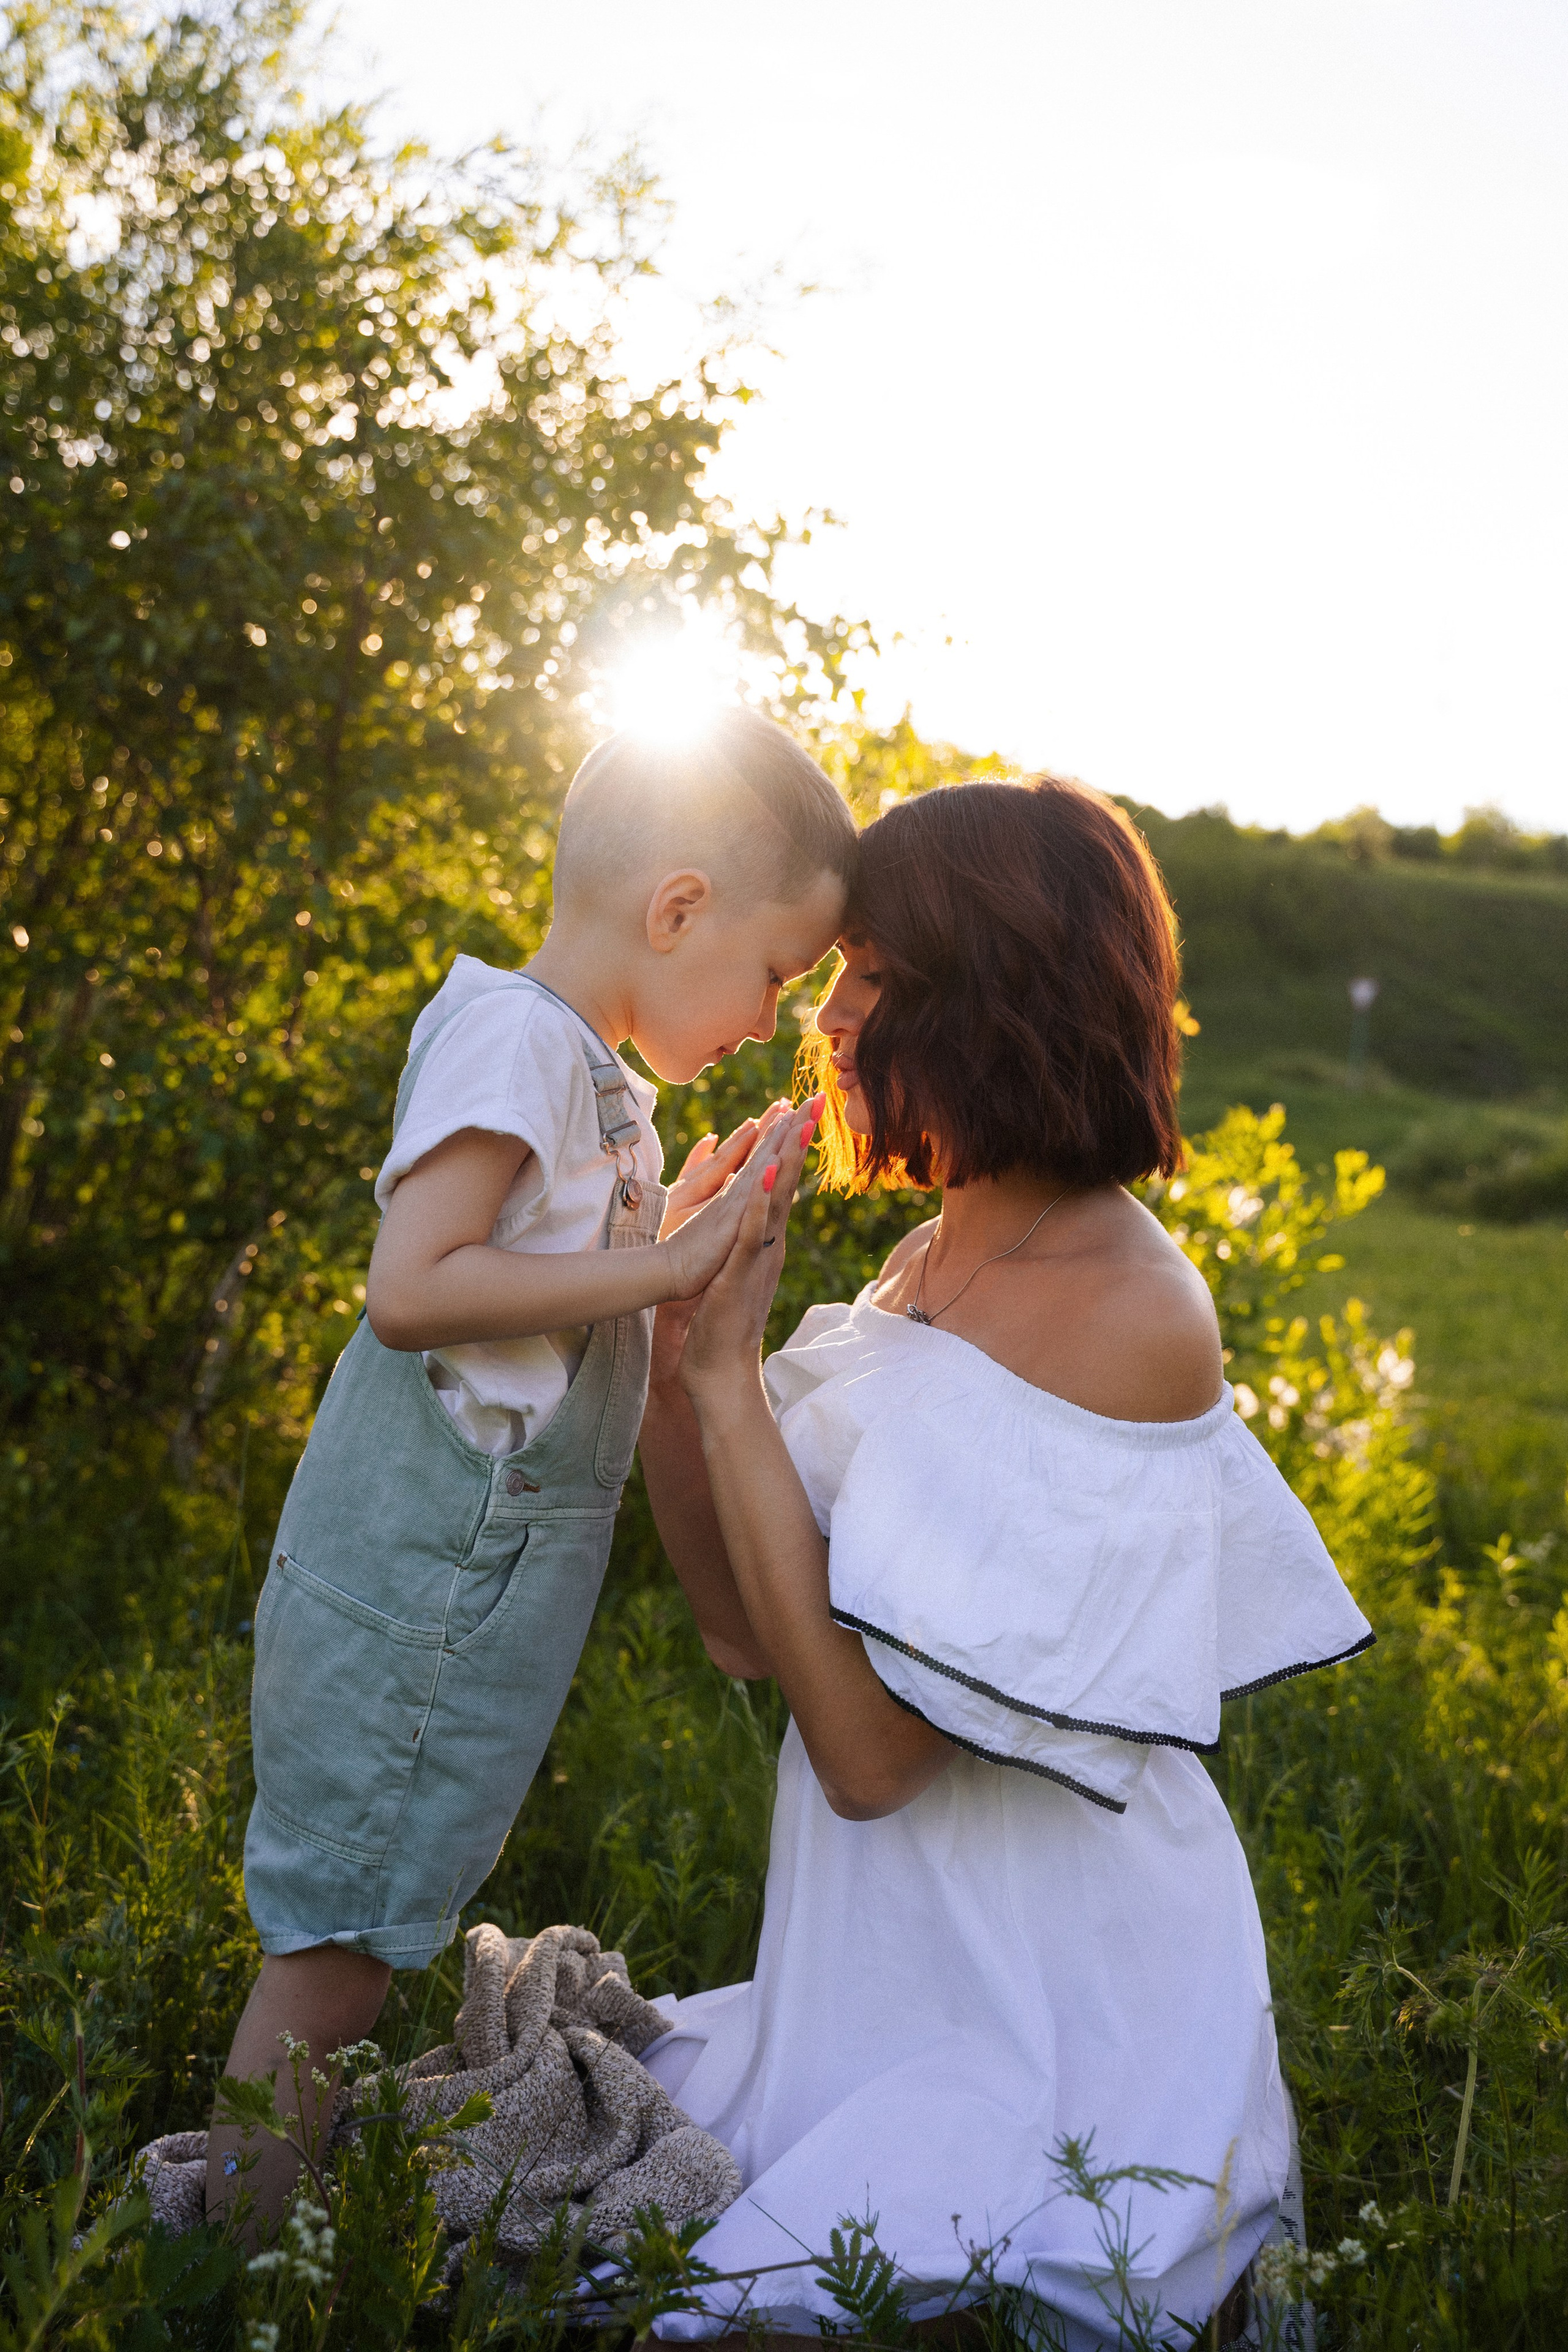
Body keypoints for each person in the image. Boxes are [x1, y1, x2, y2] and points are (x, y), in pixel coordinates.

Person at [638, 777, 1374, 2348]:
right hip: (882, 1969)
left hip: (1049, 1996)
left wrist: (728, 1385)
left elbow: (869, 1755)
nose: (827, 1016)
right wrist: (665, 1351)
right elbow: (737, 1633)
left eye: (873, 974)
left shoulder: (1129, 1310)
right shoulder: (931, 1251)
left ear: (993, 991)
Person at [207, 710, 855, 2227]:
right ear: (677, 907)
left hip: (456, 1613)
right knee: (333, 1956)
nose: (773, 1020)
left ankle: (271, 2222)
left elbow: (535, 1291)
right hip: (407, 1604)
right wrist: (665, 1266)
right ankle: (229, 2266)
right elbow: (415, 1286)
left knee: (361, 1949)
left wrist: (661, 1231)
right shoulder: (513, 1038)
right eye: (776, 974)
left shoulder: (591, 1078)